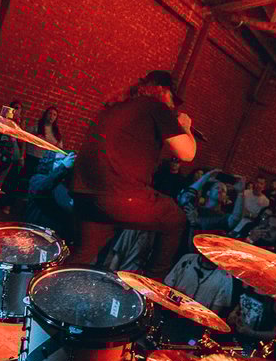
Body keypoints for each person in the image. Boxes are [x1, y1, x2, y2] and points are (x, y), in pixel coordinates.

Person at [69, 70, 195, 277]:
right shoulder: (156, 106)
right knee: (176, 219)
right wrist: (186, 127)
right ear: (164, 91)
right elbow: (187, 153)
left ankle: (44, 292)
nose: (174, 105)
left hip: (84, 193)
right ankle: (151, 287)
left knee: (82, 254)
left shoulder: (115, 107)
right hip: (119, 195)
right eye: (173, 98)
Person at [164, 251, 234, 316]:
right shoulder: (187, 259)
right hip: (171, 311)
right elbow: (167, 287)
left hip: (196, 321)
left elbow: (215, 312)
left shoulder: (225, 277)